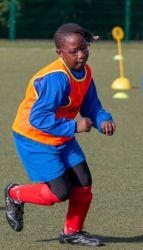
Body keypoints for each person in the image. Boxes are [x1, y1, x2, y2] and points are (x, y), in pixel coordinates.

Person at [4, 23, 116, 247]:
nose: (81, 54)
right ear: (60, 53)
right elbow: (38, 119)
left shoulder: (85, 72)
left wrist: (102, 118)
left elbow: (91, 104)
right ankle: (14, 193)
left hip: (60, 136)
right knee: (61, 192)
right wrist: (74, 127)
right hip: (35, 138)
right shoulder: (56, 78)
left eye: (84, 48)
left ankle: (71, 232)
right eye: (74, 51)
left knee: (84, 182)